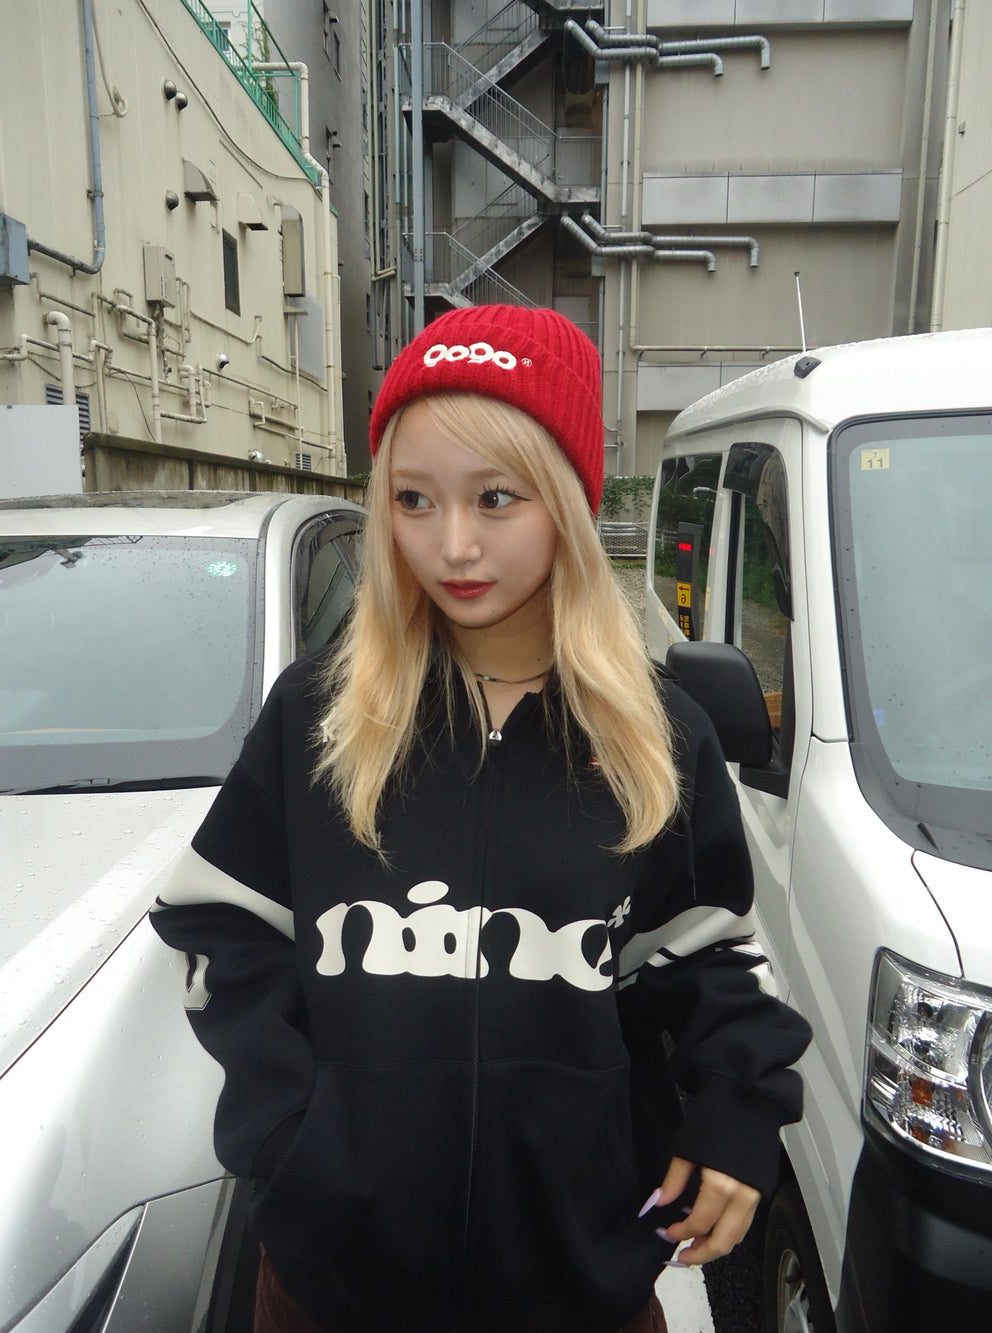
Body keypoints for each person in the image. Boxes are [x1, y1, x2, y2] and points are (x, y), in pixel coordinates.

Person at [151, 304, 811, 1333]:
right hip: (333, 1291)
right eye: (413, 498)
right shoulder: (318, 716)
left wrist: (738, 1110)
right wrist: (293, 1133)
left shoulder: (657, 738)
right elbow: (221, 924)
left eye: (495, 497)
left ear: (567, 501)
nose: (451, 543)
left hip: (579, 1290)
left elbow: (704, 960)